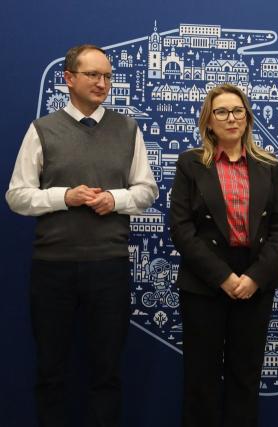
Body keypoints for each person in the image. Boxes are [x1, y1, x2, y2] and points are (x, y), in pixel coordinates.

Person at [5, 44, 158, 426]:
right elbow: (17, 196)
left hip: (108, 267)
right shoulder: (42, 130)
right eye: (93, 75)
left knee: (106, 373)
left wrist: (114, 199)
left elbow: (147, 191)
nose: (102, 83)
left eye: (107, 76)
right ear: (69, 79)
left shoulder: (127, 129)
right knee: (50, 371)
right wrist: (64, 197)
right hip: (53, 268)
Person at [169, 84, 278, 427]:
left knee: (245, 376)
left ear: (248, 118)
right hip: (204, 279)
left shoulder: (268, 165)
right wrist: (222, 276)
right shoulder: (190, 164)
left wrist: (255, 277)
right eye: (221, 112)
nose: (231, 118)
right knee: (201, 379)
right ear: (208, 121)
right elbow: (181, 228)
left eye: (238, 111)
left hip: (255, 279)